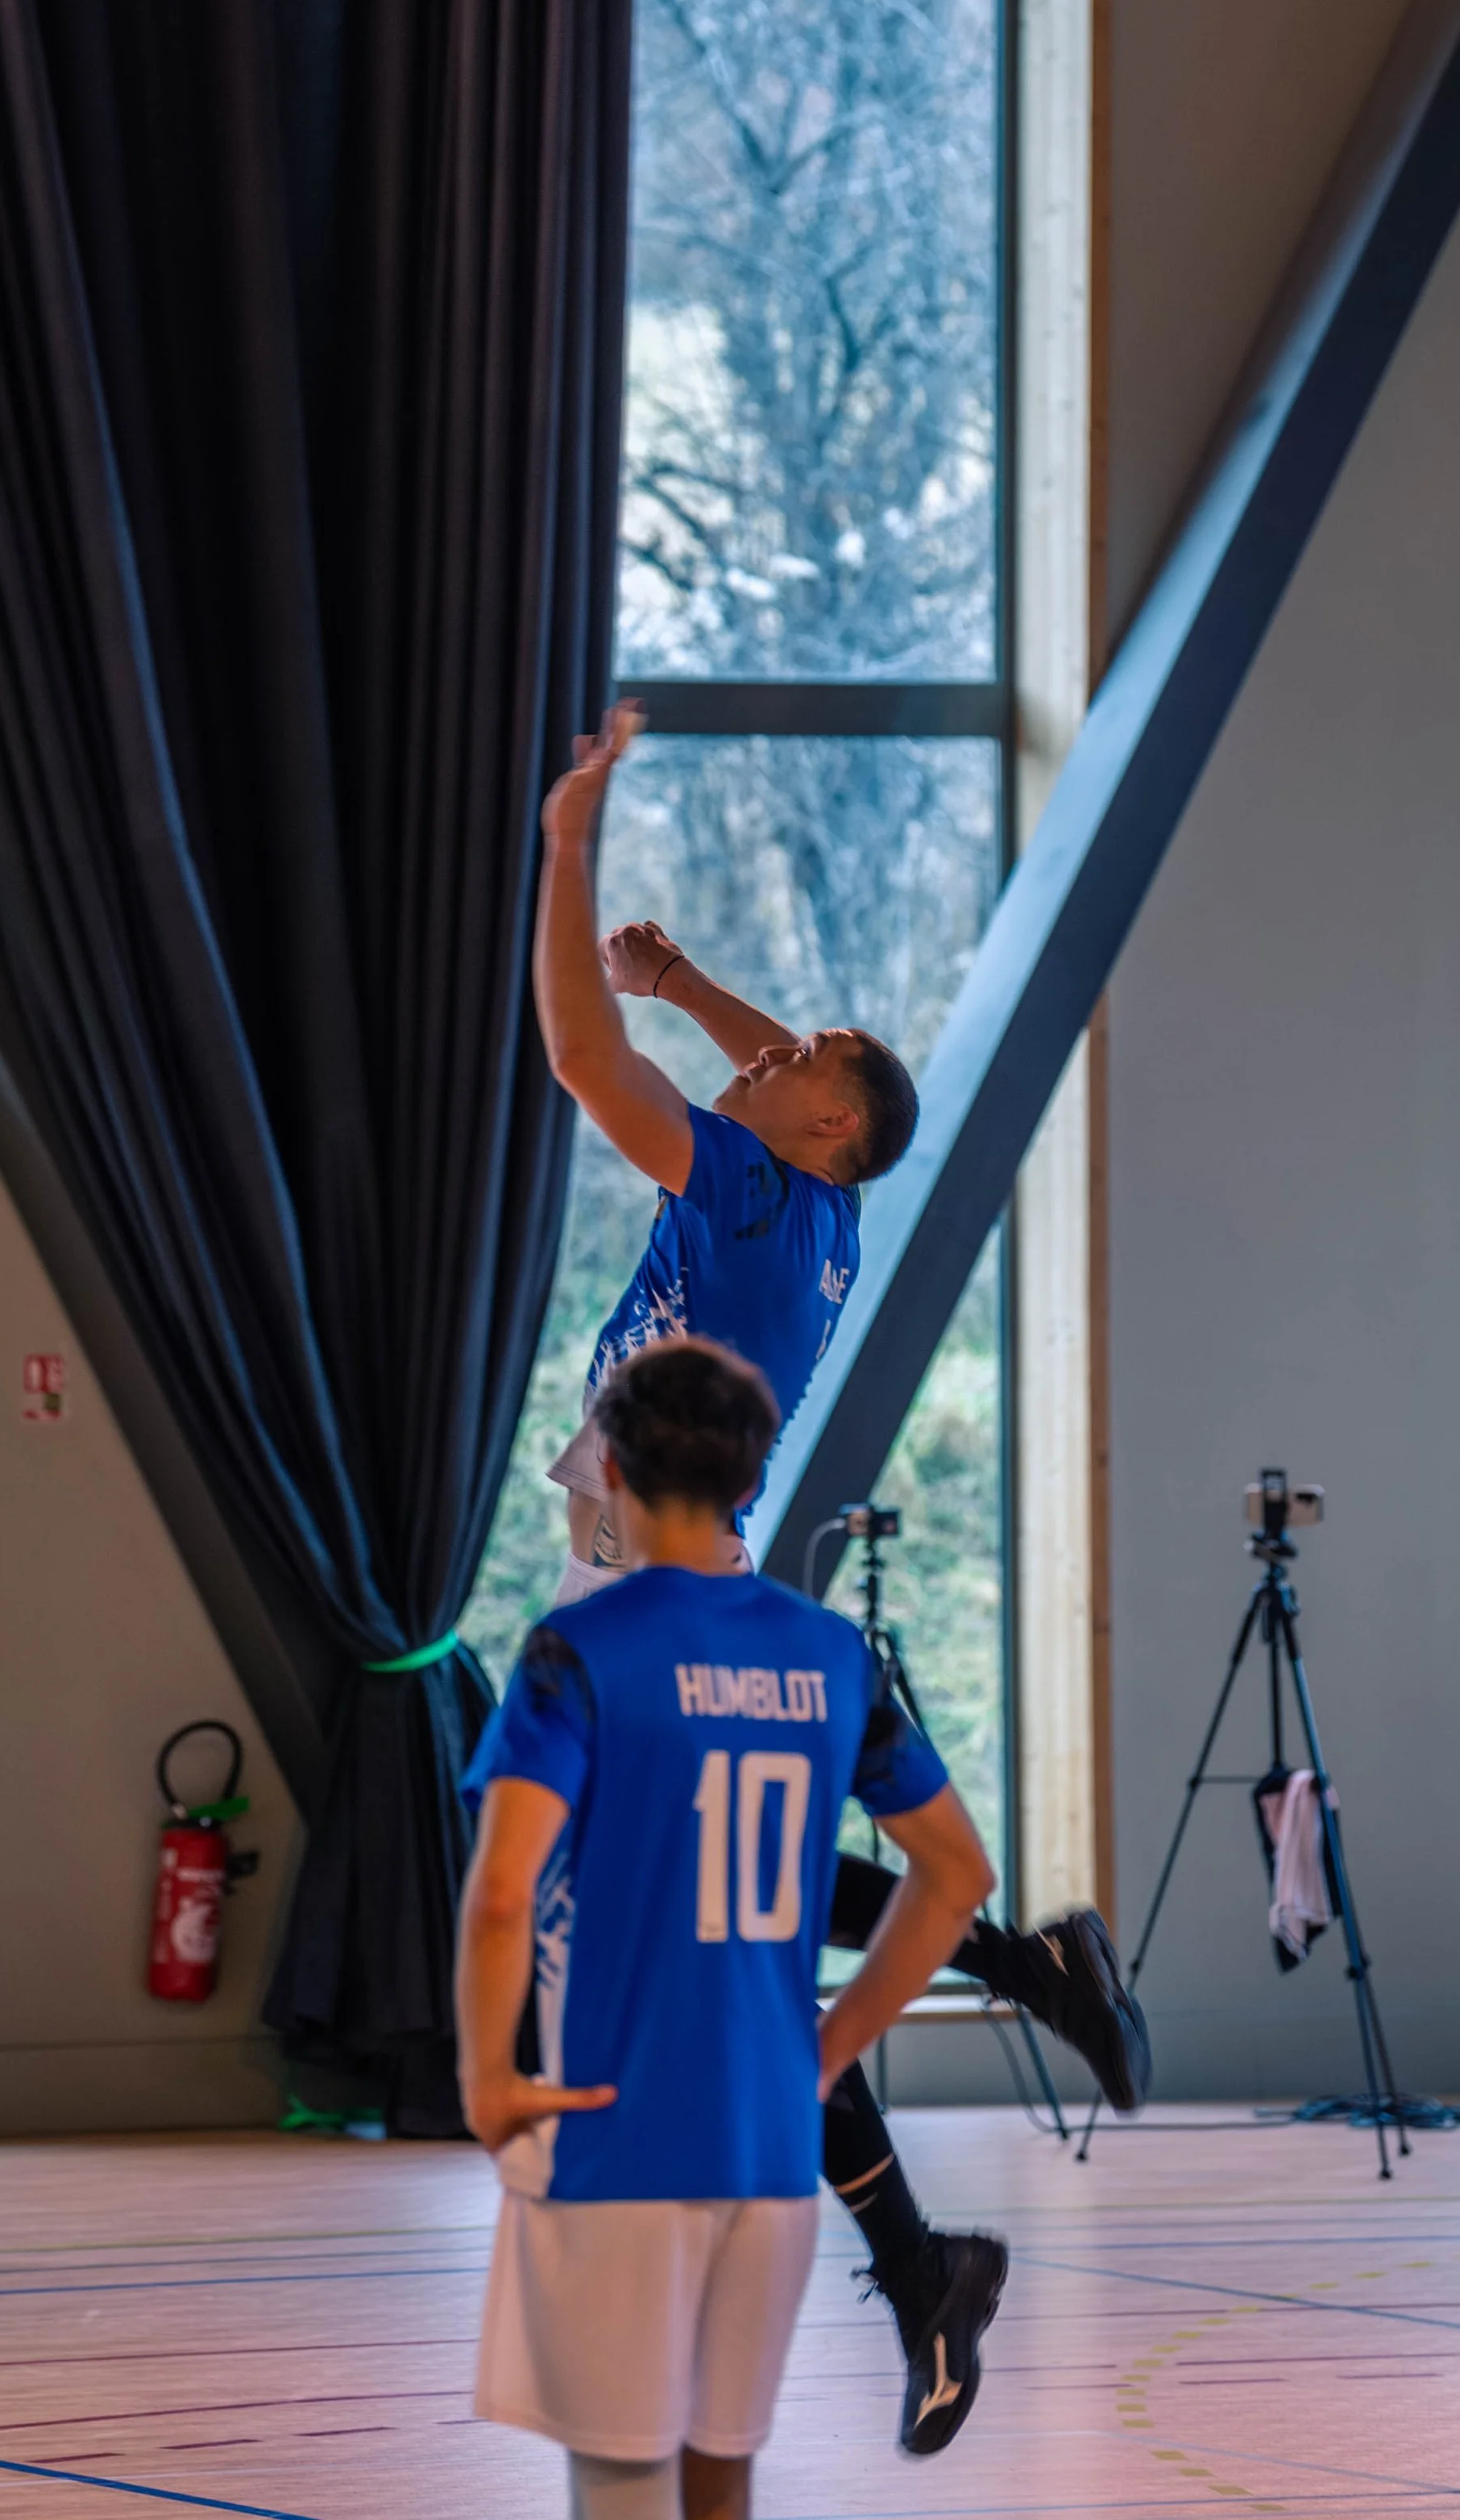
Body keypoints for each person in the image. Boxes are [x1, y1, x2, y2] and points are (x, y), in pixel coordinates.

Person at [529, 701, 1149, 2452]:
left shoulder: (736, 1188)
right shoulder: (822, 1207)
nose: (756, 1060)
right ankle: (980, 2101)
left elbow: (583, 1065)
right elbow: (823, 1076)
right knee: (743, 1914)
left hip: (643, 1595)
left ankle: (962, 2129)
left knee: (717, 1941)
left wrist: (573, 875)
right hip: (675, 1567)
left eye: (782, 1071)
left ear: (801, 1132)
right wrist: (702, 988)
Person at [458, 1339, 1000, 2518]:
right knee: (723, 2477)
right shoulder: (832, 1657)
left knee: (620, 2482)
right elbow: (956, 1875)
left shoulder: (574, 1655)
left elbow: (502, 1894)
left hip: (615, 2135)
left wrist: (487, 2077)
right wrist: (834, 2046)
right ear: (753, 1480)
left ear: (607, 1462)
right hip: (765, 2146)